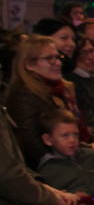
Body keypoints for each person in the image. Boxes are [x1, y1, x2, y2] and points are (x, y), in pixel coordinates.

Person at [4, 34, 87, 167]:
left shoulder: (62, 89)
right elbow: (29, 141)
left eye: (58, 57)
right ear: (29, 65)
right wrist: (57, 164)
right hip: (50, 166)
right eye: (50, 59)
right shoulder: (23, 94)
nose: (58, 63)